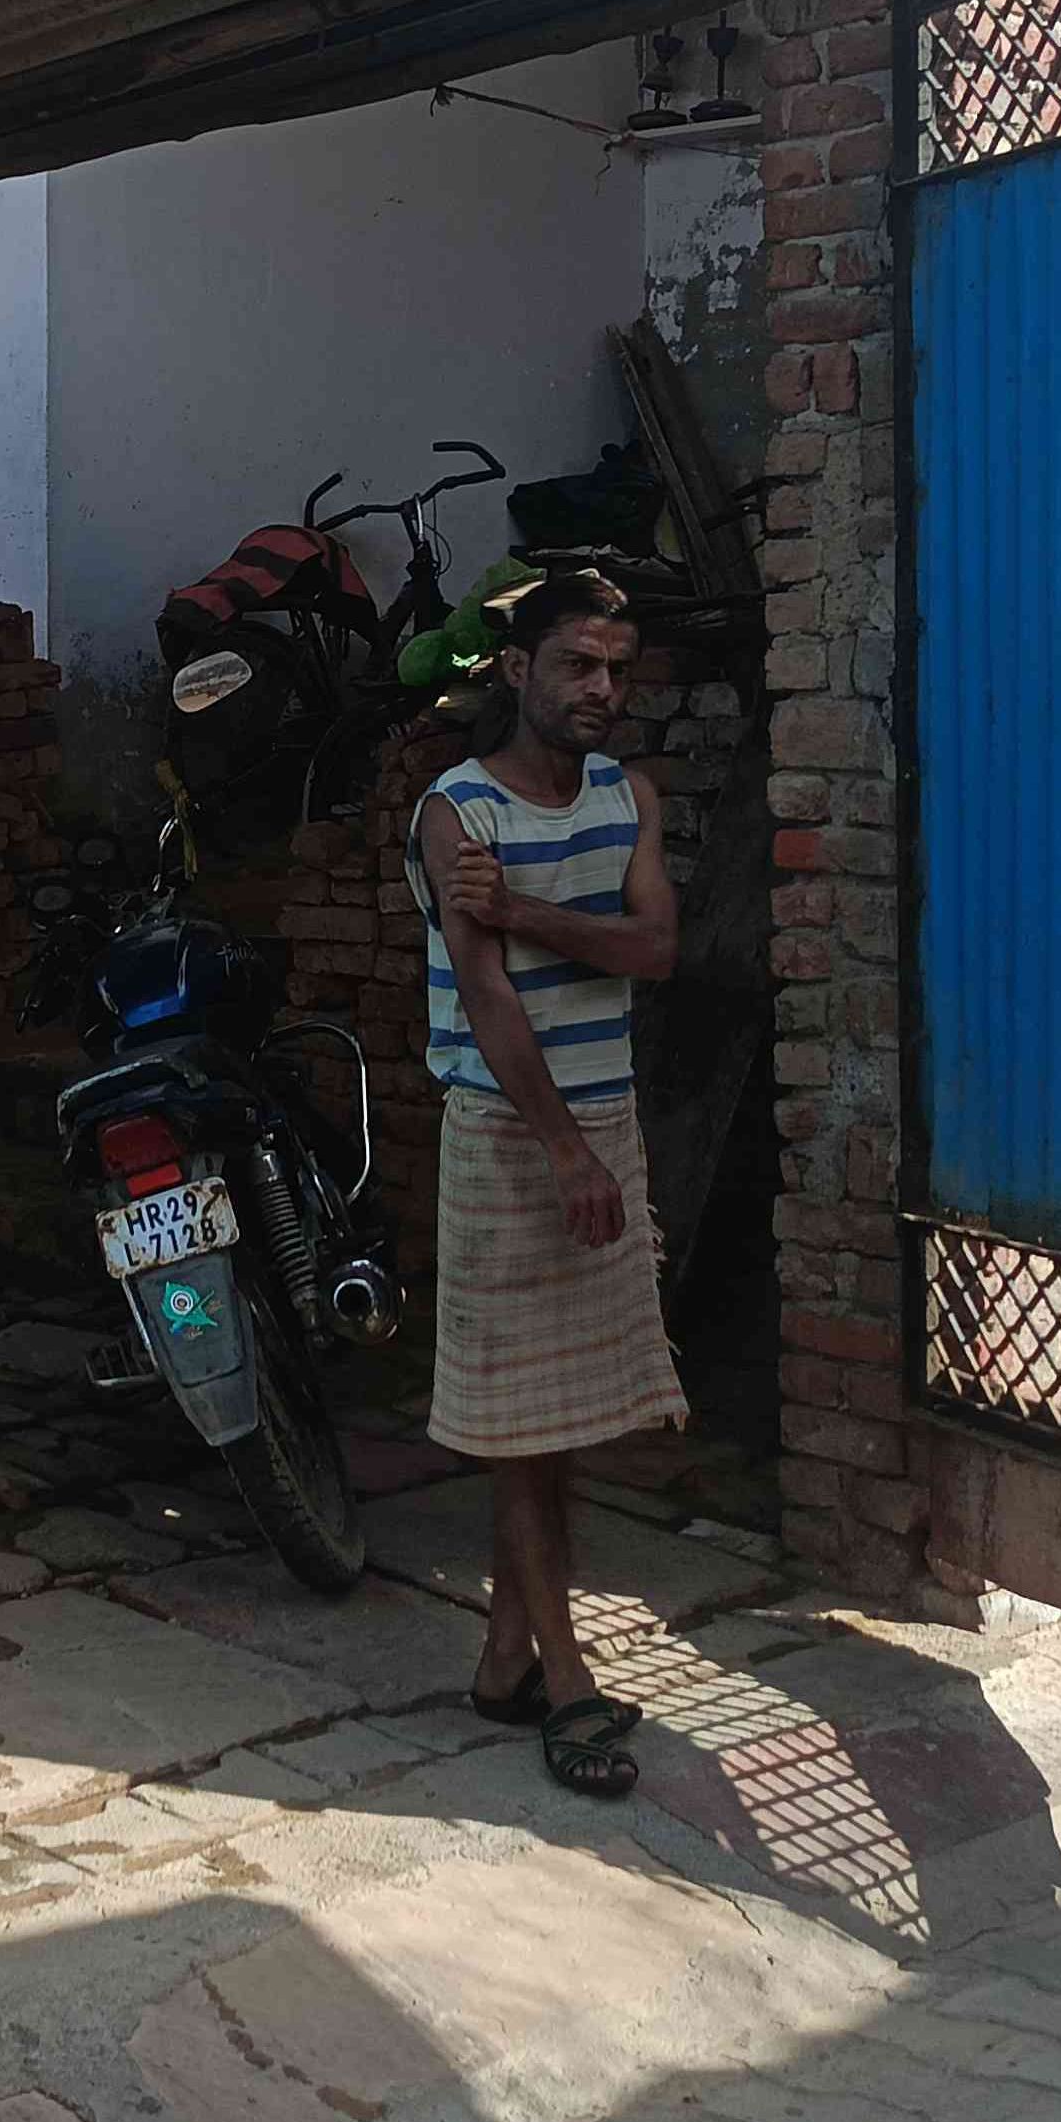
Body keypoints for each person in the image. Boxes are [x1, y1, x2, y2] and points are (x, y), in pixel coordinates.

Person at [409, 568, 685, 1797]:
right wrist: (564, 1150)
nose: (600, 689)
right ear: (518, 670)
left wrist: (522, 908)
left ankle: (503, 1658)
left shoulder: (628, 797)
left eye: (617, 669)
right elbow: (487, 999)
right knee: (520, 1430)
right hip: (507, 1138)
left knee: (557, 1422)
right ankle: (566, 1682)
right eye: (577, 663)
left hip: (601, 1123)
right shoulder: (453, 810)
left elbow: (655, 950)